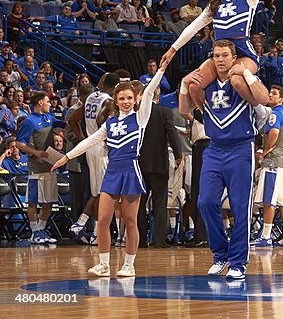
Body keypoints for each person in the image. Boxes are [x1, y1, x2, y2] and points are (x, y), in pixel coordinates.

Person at [52, 65, 167, 277]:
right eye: (121, 98)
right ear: (115, 100)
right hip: (112, 172)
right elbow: (88, 141)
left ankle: (129, 264)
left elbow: (150, 91)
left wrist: (161, 70)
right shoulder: (109, 124)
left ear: (135, 100)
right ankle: (104, 264)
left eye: (129, 98)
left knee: (130, 220)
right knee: (103, 219)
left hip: (131, 171)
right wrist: (66, 157)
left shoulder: (141, 118)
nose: (125, 102)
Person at [179, 39, 271, 281]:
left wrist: (248, 75)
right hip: (214, 149)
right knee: (205, 202)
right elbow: (183, 109)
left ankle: (238, 262)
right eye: (216, 56)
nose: (219, 59)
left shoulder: (239, 81)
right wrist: (184, 84)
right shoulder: (205, 85)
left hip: (241, 149)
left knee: (241, 208)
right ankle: (220, 255)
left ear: (233, 59)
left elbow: (265, 99)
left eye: (224, 56)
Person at [161, 0, 261, 113]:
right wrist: (172, 49)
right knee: (194, 86)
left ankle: (259, 110)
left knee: (236, 78)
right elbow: (193, 27)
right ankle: (208, 117)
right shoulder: (215, 2)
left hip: (242, 52)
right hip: (220, 53)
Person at [66, 71, 118, 244]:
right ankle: (93, 229)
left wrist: (84, 140)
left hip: (90, 148)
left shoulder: (89, 97)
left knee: (98, 191)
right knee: (105, 192)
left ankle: (84, 225)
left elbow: (73, 120)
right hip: (101, 148)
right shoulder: (109, 101)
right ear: (115, 86)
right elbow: (102, 120)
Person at [136, 71, 183, 249]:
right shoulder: (164, 112)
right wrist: (178, 156)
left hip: (140, 164)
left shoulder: (137, 113)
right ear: (158, 95)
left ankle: (139, 241)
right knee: (160, 204)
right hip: (159, 164)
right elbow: (172, 135)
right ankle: (159, 241)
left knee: (139, 205)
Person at [253, 84, 283, 247]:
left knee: (268, 201)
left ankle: (265, 236)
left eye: (273, 93)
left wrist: (265, 152)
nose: (270, 95)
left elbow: (274, 133)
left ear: (281, 99)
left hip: (272, 163)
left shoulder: (274, 115)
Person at [16, 92, 60, 244]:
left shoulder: (49, 118)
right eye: (47, 101)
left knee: (49, 201)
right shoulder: (29, 121)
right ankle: (34, 231)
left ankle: (41, 230)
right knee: (33, 201)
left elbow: (61, 126)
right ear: (40, 103)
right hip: (36, 166)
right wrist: (35, 152)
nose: (50, 104)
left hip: (50, 165)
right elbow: (19, 143)